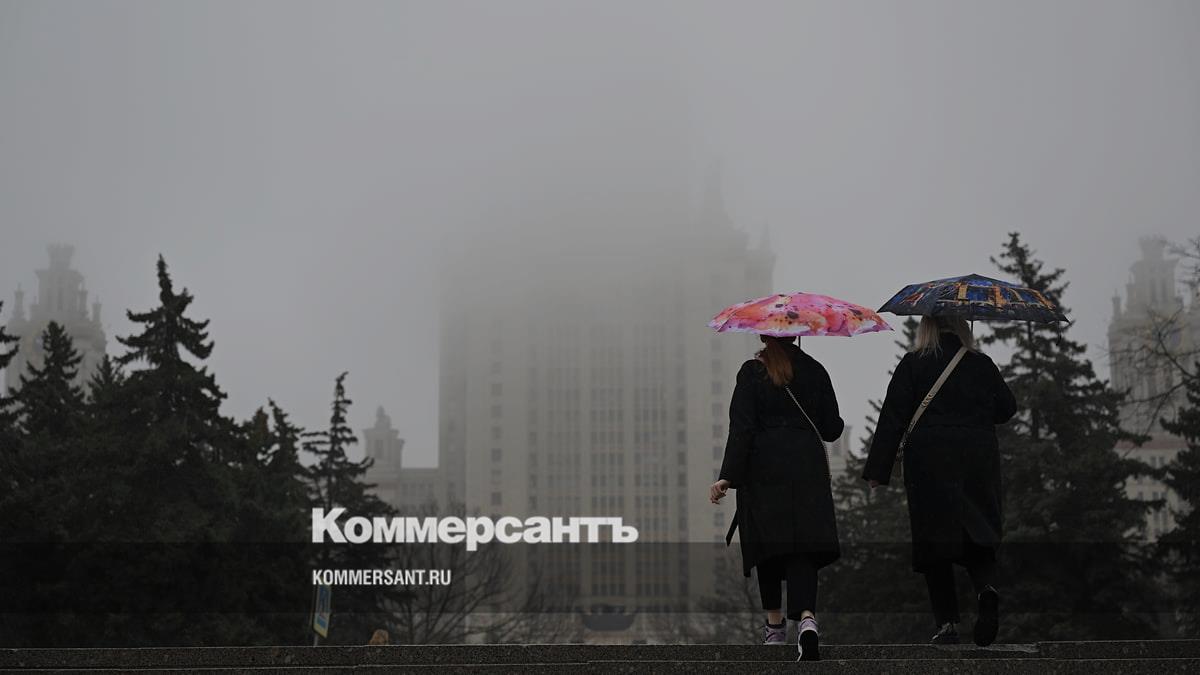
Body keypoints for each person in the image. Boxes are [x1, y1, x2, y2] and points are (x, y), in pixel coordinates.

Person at [862, 315, 1016, 647]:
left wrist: (878, 470)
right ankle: (986, 590)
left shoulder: (913, 364)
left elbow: (893, 417)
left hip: (929, 461)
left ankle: (947, 624)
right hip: (977, 459)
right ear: (961, 325)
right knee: (978, 532)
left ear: (927, 326)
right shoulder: (981, 364)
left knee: (934, 541)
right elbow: (1006, 409)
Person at [710, 334, 843, 661]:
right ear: (797, 334)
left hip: (764, 469)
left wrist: (728, 475)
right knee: (803, 546)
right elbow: (832, 429)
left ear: (763, 334)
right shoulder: (815, 370)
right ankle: (807, 619)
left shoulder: (752, 372)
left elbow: (742, 429)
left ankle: (774, 626)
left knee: (768, 544)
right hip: (807, 468)